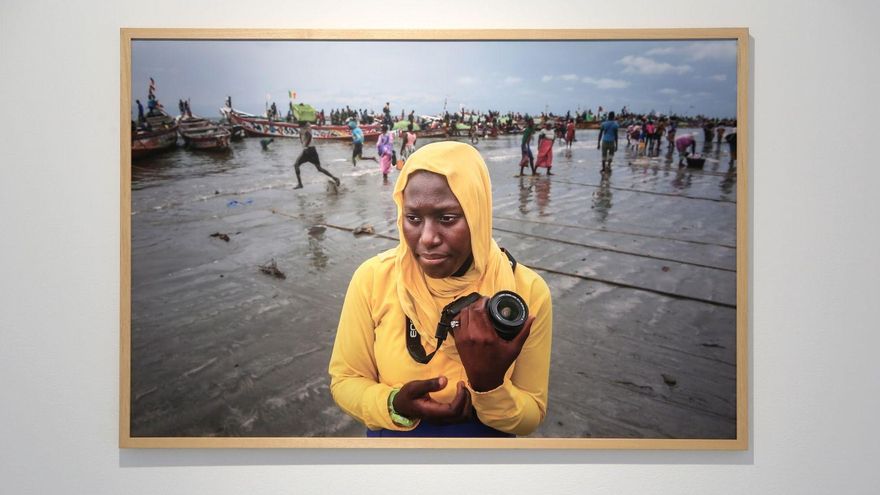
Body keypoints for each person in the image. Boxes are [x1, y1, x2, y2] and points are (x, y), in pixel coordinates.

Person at [328, 141, 553, 437]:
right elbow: (345, 380)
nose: (428, 238)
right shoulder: (373, 279)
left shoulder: (525, 291)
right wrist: (394, 404)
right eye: (413, 219)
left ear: (477, 214)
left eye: (447, 218)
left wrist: (489, 386)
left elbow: (531, 413)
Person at [292, 122, 340, 189]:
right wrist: (303, 143)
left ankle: (300, 184)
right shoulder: (306, 127)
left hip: (308, 150)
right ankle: (335, 178)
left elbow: (309, 136)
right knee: (319, 168)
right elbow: (305, 137)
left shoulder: (304, 128)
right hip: (312, 150)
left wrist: (305, 146)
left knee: (296, 165)